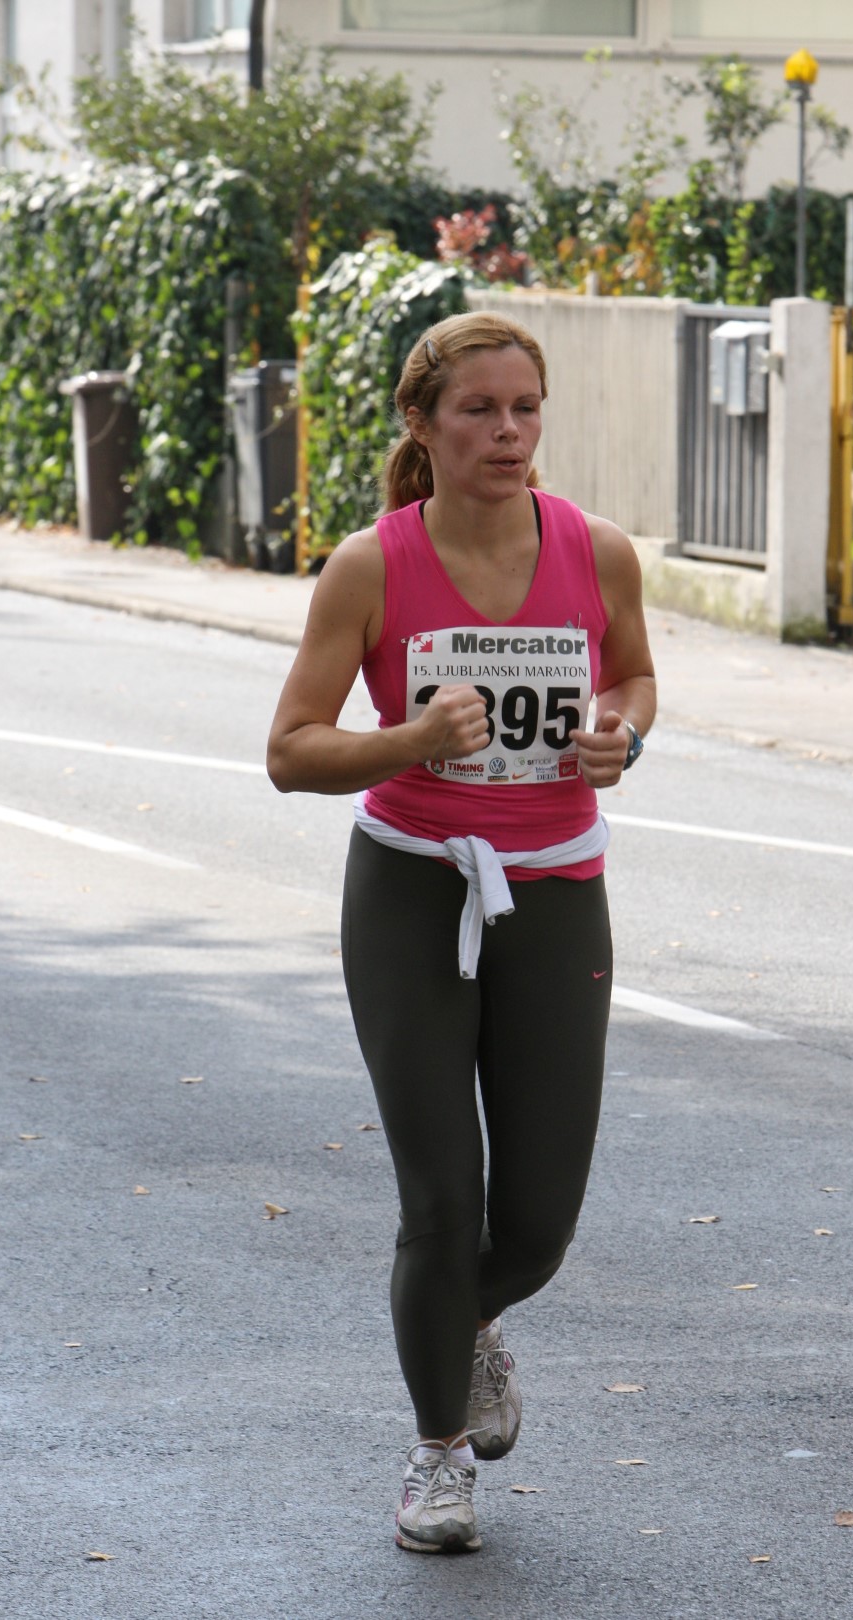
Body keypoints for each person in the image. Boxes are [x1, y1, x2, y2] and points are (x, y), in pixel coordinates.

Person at [267, 309, 656, 1554]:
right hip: (411, 893)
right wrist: (414, 740)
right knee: (442, 1201)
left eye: (525, 408)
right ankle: (438, 1458)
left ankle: (465, 1323)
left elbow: (634, 677)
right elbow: (291, 751)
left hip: (555, 892)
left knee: (535, 1225)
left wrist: (621, 734)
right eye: (480, 409)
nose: (508, 431)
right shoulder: (371, 567)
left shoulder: (596, 551)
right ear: (424, 425)